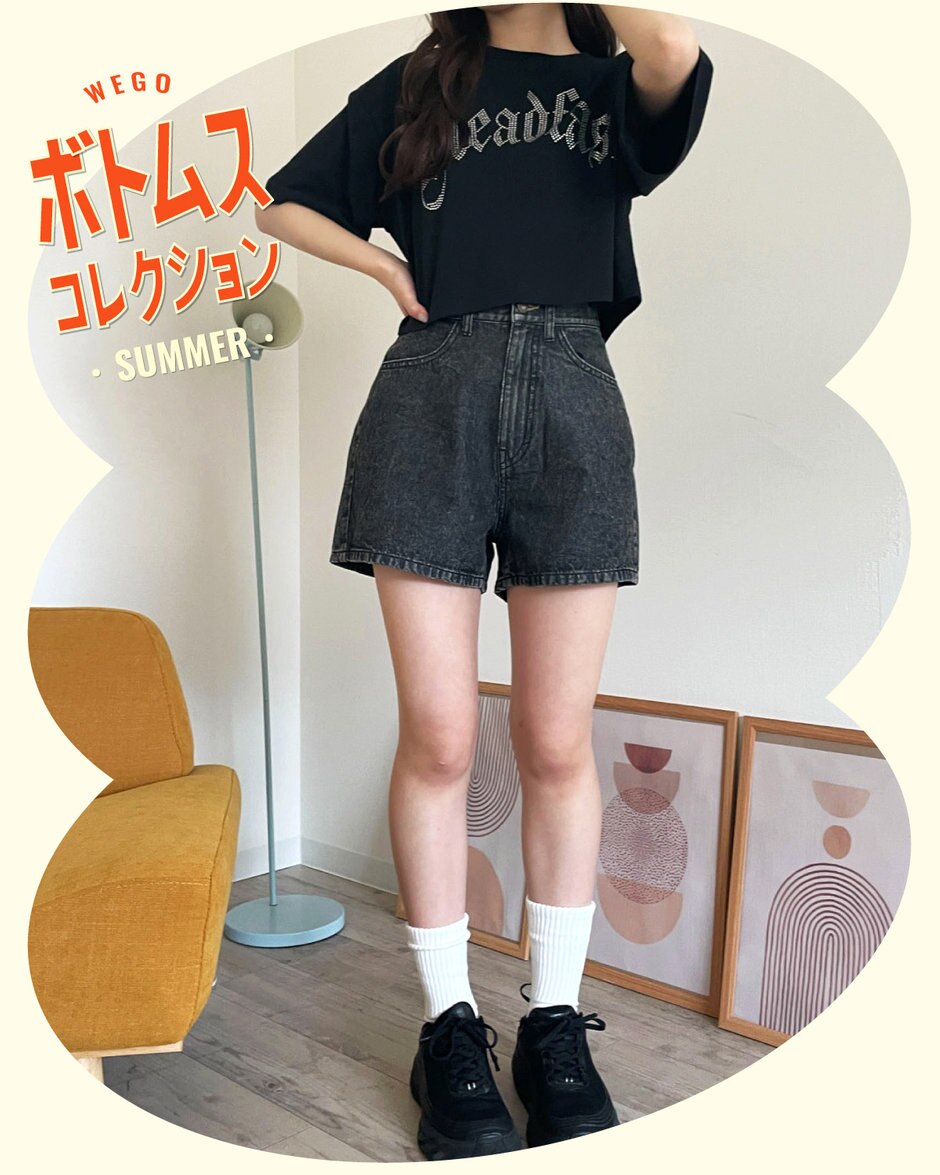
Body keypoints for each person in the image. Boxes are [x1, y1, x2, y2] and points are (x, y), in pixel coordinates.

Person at [257, 3, 712, 1160]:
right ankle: (447, 1022)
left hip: (573, 395)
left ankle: (552, 1018)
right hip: (428, 397)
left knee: (556, 739)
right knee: (441, 735)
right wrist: (380, 263)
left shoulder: (617, 84)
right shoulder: (421, 80)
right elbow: (284, 201)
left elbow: (673, 49)